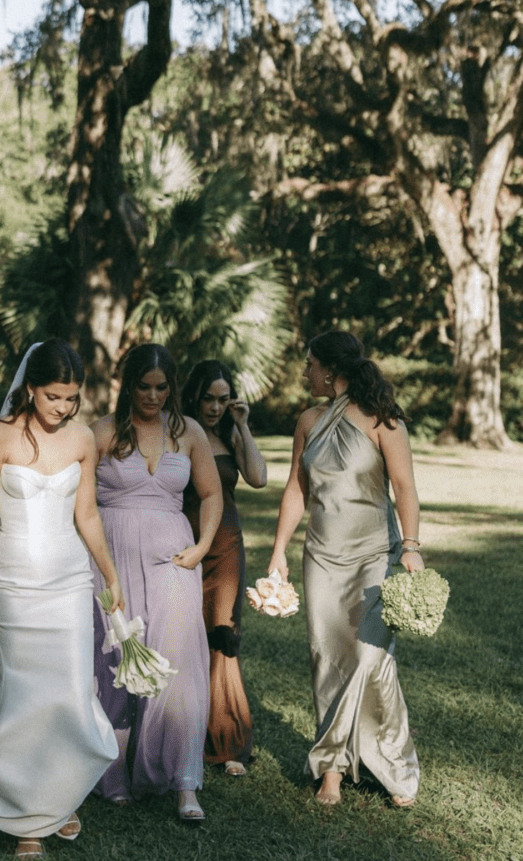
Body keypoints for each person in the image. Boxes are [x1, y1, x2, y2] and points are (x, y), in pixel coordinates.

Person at [0, 339, 122, 860]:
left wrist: (109, 578)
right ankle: (27, 815)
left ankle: (60, 793)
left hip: (69, 582)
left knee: (70, 690)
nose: (64, 408)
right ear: (30, 388)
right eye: (54, 397)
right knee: (24, 696)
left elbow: (87, 514)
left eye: (71, 398)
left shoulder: (80, 440)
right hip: (14, 583)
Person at [268, 331, 422, 808]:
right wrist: (278, 553)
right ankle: (331, 769)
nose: (305, 372)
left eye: (310, 364)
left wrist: (412, 547)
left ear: (330, 371)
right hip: (321, 556)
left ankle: (393, 763)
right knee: (327, 657)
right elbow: (297, 489)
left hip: (375, 555)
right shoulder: (308, 421)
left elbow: (404, 486)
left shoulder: (383, 420)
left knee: (371, 661)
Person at [91, 343, 223, 820]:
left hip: (175, 557)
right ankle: (111, 775)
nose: (153, 396)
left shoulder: (188, 432)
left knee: (177, 662)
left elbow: (210, 494)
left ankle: (184, 781)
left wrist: (204, 545)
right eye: (144, 387)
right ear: (128, 385)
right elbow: (81, 503)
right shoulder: (103, 432)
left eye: (162, 387)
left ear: (172, 387)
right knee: (113, 659)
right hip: (113, 554)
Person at [182, 359, 267, 776]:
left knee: (223, 637)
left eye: (222, 400)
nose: (214, 408)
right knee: (181, 634)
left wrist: (243, 425)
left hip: (226, 547)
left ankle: (228, 741)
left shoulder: (229, 434)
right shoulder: (177, 434)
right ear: (193, 397)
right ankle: (182, 733)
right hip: (182, 545)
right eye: (207, 399)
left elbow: (258, 477)